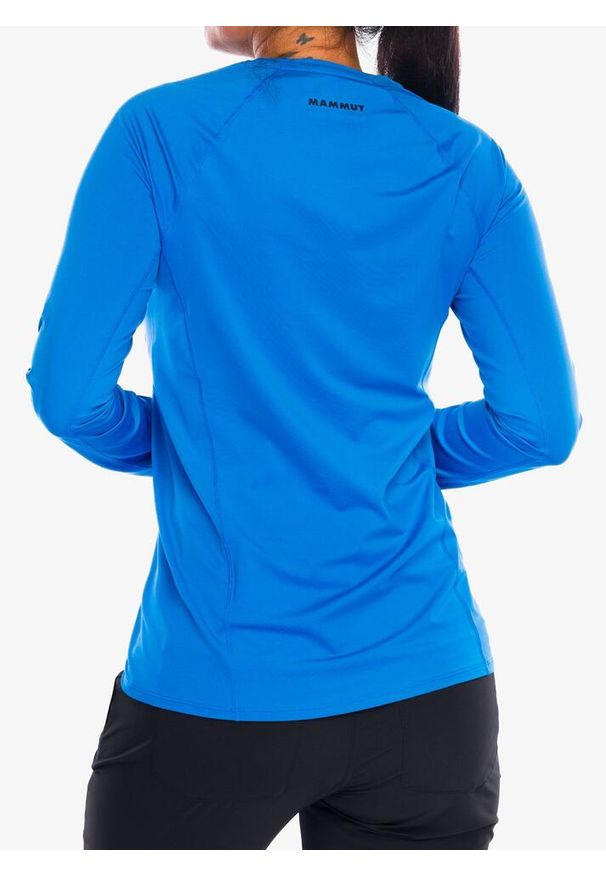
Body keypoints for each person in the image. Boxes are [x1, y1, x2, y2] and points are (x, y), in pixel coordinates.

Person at [25, 26, 582, 850]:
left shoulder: (161, 132)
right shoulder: (467, 159)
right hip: (431, 699)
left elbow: (69, 396)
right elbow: (541, 424)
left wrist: (197, 443)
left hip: (218, 697)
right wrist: (385, 451)